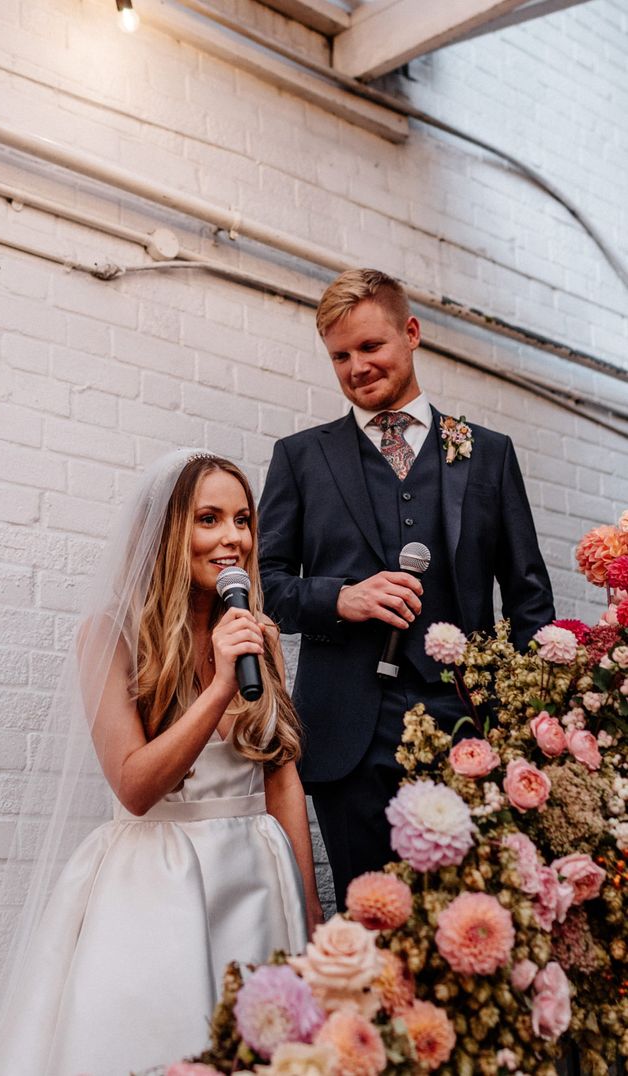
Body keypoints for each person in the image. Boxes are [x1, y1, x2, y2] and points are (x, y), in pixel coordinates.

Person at [0, 449, 323, 1076]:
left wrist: (310, 907)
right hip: (161, 883)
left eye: (242, 519)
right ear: (165, 533)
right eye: (208, 518)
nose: (233, 539)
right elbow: (134, 785)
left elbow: (281, 775)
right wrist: (218, 688)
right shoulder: (110, 636)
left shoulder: (252, 632)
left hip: (260, 881)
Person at [258, 268, 555, 909]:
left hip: (467, 730)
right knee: (371, 919)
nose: (357, 367)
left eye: (371, 347)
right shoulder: (300, 458)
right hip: (349, 737)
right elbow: (266, 585)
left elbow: (529, 599)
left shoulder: (489, 454)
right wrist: (340, 597)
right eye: (340, 356)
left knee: (468, 922)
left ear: (411, 333)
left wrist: (523, 728)